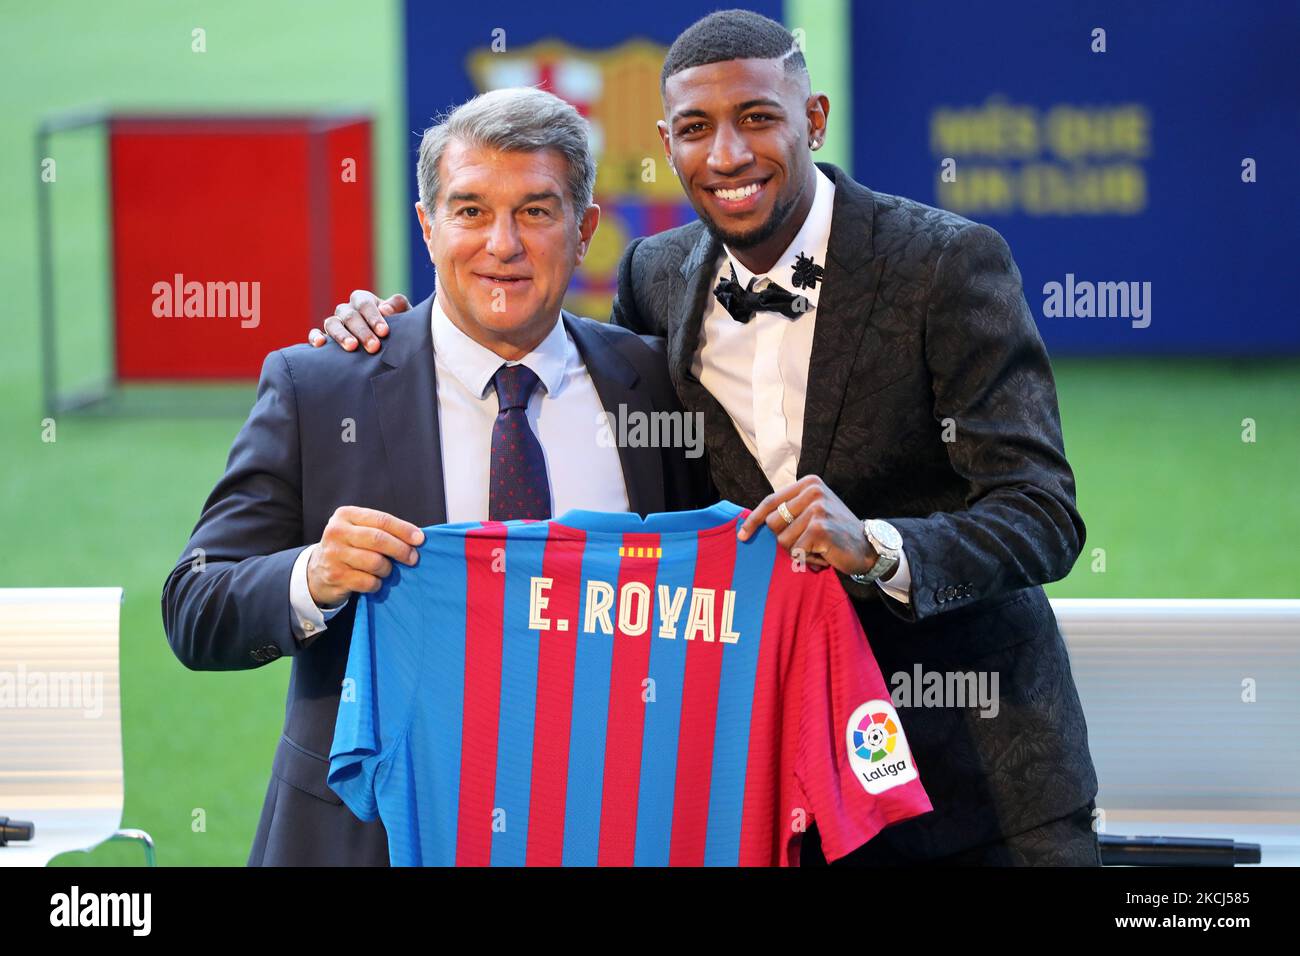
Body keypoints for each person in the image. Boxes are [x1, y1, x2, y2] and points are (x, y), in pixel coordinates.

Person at [314, 10, 1101, 865]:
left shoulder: (947, 263)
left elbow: (1043, 514)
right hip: (754, 778)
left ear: (815, 119)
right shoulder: (654, 279)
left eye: (757, 118)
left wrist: (876, 548)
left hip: (975, 782)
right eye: (696, 129)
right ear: (665, 140)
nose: (726, 155)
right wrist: (386, 327)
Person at [162, 87, 706, 866]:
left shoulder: (654, 384)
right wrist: (312, 575)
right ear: (427, 226)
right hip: (376, 835)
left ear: (586, 230)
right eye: (472, 210)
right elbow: (194, 606)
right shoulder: (322, 386)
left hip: (610, 826)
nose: (503, 245)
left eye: (536, 212)